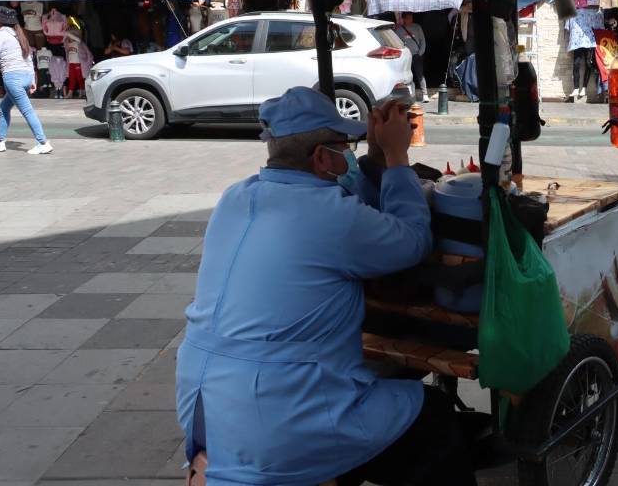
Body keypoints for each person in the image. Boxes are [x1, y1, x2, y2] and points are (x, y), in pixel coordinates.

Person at [176, 86, 476, 486]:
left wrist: (372, 155)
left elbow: (347, 212)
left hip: (203, 402)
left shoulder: (236, 197)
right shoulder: (327, 214)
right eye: (343, 146)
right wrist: (398, 156)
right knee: (433, 416)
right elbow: (411, 241)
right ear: (321, 157)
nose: (347, 155)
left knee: (362, 400)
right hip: (276, 410)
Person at [0, 6, 52, 155]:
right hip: (25, 77)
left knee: (27, 111)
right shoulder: (17, 35)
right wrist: (33, 80)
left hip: (13, 78)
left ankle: (43, 142)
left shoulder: (0, 35)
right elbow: (28, 58)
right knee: (3, 107)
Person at [397, 12, 429, 103]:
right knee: (406, 76)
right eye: (408, 18)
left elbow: (423, 40)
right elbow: (396, 44)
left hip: (417, 55)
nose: (411, 19)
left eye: (411, 17)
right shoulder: (399, 30)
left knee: (420, 74)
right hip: (406, 57)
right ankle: (409, 95)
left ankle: (425, 94)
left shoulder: (417, 27)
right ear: (403, 19)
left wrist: (420, 53)